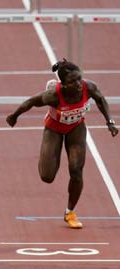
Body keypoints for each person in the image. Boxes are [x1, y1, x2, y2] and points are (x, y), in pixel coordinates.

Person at [6, 59, 118, 229]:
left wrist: (109, 122)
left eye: (79, 78)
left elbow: (101, 100)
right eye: (73, 81)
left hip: (76, 128)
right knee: (47, 176)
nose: (79, 84)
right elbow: (30, 102)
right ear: (63, 84)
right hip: (54, 129)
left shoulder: (88, 87)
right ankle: (52, 156)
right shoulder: (53, 95)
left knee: (76, 170)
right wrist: (14, 116)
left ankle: (70, 212)